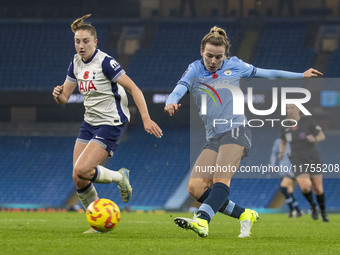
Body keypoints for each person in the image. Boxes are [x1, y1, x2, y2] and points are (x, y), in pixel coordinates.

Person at [164, 26, 323, 238]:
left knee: (221, 178)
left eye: (218, 57)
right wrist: (171, 101)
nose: (213, 61)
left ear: (225, 55)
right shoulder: (194, 69)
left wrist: (300, 75)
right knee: (195, 188)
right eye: (209, 55)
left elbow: (268, 73)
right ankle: (244, 214)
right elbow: (179, 87)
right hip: (214, 136)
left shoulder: (236, 66)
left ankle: (202, 220)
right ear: (201, 51)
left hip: (237, 130)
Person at [52, 14, 163, 233]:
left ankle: (120, 177)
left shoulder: (106, 62)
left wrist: (146, 117)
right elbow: (64, 98)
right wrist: (57, 95)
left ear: (95, 41)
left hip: (110, 123)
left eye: (86, 41)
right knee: (78, 176)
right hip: (89, 123)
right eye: (77, 41)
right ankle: (96, 225)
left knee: (83, 169)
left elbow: (135, 89)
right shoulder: (75, 63)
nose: (81, 46)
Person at [279, 104, 329, 222]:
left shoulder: (308, 121)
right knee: (306, 187)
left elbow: (322, 135)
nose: (290, 110)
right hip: (297, 159)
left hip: (312, 157)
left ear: (298, 109)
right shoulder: (285, 126)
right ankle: (313, 205)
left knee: (318, 188)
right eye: (288, 108)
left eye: (292, 108)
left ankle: (323, 212)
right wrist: (281, 152)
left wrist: (315, 139)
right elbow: (283, 141)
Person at [270, 138, 302, 217]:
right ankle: (297, 210)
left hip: (291, 172)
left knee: (283, 188)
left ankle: (292, 209)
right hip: (283, 171)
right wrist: (273, 164)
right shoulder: (279, 142)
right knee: (289, 192)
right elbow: (274, 153)